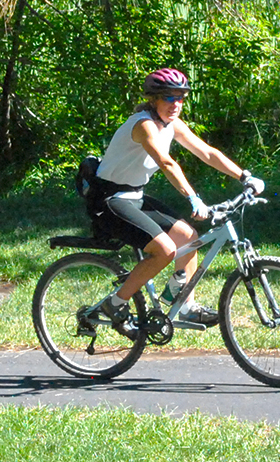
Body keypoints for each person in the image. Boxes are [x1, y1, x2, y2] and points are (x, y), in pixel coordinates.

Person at [80, 68, 263, 334]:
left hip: (134, 196)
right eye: (168, 98)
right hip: (108, 201)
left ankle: (185, 304)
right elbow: (166, 163)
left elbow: (207, 153)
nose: (175, 104)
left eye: (181, 98)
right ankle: (116, 303)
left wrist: (245, 176)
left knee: (189, 237)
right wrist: (193, 197)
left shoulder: (171, 124)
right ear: (153, 99)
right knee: (164, 250)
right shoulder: (143, 125)